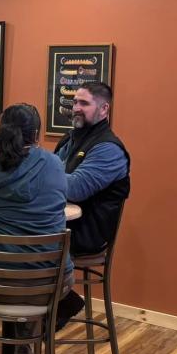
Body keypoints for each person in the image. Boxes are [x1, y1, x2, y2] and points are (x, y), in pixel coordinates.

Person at [0, 103, 75, 354]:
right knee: (31, 276)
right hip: (48, 284)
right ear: (36, 134)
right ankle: (26, 341)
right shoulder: (53, 164)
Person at [54, 81, 131, 322]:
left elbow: (75, 188)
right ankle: (29, 328)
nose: (76, 107)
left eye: (84, 103)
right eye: (75, 102)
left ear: (104, 109)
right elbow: (53, 174)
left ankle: (51, 310)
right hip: (63, 226)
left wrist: (39, 177)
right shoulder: (71, 140)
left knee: (23, 243)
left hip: (87, 233)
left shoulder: (109, 149)